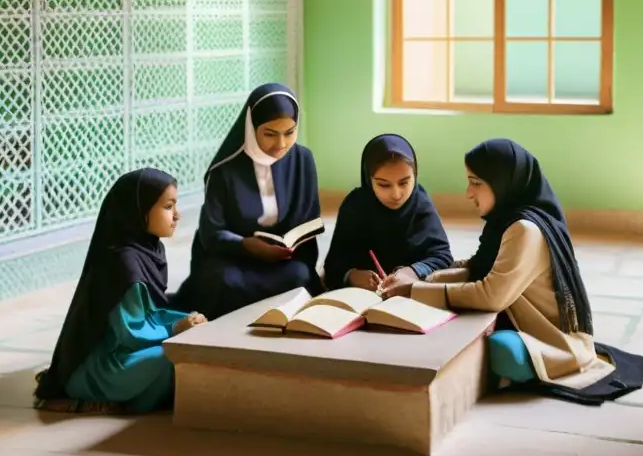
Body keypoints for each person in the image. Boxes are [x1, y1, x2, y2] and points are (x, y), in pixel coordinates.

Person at [383, 138, 643, 404]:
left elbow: (490, 295)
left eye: (476, 183)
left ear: (502, 182)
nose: (468, 193)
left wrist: (414, 291)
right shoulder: (506, 221)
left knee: (502, 351)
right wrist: (420, 278)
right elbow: (476, 269)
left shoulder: (525, 230)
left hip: (546, 339)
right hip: (516, 316)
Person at [34, 168, 206, 414]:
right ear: (138, 210)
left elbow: (147, 312)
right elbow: (132, 331)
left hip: (123, 353)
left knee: (184, 351)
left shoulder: (147, 249)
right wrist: (176, 327)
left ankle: (123, 402)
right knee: (172, 359)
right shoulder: (123, 262)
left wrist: (184, 320)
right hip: (103, 364)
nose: (177, 215)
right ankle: (97, 402)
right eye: (168, 207)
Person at [171, 83, 321, 319]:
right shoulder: (224, 170)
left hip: (281, 261)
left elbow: (308, 217)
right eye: (270, 134)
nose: (281, 145)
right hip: (234, 258)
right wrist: (246, 245)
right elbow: (212, 232)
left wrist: (288, 246)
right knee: (223, 282)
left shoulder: (302, 159)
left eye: (289, 132)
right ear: (251, 128)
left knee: (299, 276)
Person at [323, 134, 453, 293]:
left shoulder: (421, 204)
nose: (396, 194)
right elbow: (333, 264)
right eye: (384, 185)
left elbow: (443, 257)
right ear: (369, 179)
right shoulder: (355, 206)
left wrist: (412, 272)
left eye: (404, 182)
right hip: (364, 297)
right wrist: (352, 276)